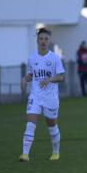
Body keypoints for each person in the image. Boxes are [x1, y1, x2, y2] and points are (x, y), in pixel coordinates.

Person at [19, 28, 65, 162]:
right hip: (35, 96)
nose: (43, 41)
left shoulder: (55, 58)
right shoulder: (32, 58)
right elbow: (31, 74)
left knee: (52, 126)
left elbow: (61, 77)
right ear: (37, 40)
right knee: (30, 124)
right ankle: (25, 154)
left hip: (50, 98)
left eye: (46, 39)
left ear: (49, 41)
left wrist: (49, 79)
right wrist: (24, 79)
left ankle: (56, 152)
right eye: (41, 39)